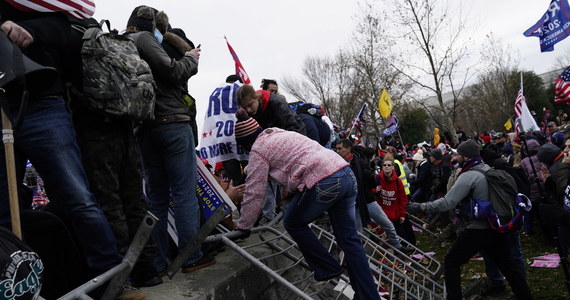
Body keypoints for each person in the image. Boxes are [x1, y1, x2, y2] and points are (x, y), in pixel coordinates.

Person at [0, 0, 134, 295]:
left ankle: (112, 284)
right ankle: (20, 285)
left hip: (40, 101)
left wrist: (29, 29)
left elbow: (68, 26)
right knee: (4, 211)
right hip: (3, 108)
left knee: (78, 199)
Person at [233, 116, 381, 300]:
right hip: (345, 174)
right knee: (350, 241)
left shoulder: (258, 150)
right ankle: (368, 296)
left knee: (293, 222)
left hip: (324, 180)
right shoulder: (278, 133)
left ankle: (328, 267)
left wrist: (243, 226)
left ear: (246, 144)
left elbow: (255, 192)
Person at [125, 6, 214, 274]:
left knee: (157, 198)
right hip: (172, 124)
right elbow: (172, 71)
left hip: (143, 127)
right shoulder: (144, 38)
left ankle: (158, 262)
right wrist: (191, 58)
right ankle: (192, 256)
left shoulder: (122, 44)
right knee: (184, 193)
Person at [407, 140, 532, 300]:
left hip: (478, 229)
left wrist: (418, 207)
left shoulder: (469, 175)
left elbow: (447, 203)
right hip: (494, 227)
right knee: (509, 267)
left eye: (458, 154)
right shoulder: (486, 168)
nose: (455, 156)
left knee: (451, 262)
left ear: (465, 157)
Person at [334, 139, 407, 251]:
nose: (337, 151)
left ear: (348, 149)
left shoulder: (360, 162)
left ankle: (397, 247)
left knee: (387, 224)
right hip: (352, 203)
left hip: (367, 200)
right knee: (358, 232)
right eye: (336, 148)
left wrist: (374, 183)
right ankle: (358, 256)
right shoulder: (337, 164)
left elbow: (370, 180)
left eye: (340, 148)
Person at [374, 157, 416, 245]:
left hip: (395, 215)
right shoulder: (377, 179)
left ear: (393, 167)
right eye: (384, 165)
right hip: (382, 215)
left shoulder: (398, 182)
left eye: (389, 165)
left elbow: (402, 199)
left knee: (402, 238)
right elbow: (370, 194)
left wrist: (402, 215)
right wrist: (375, 190)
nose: (386, 167)